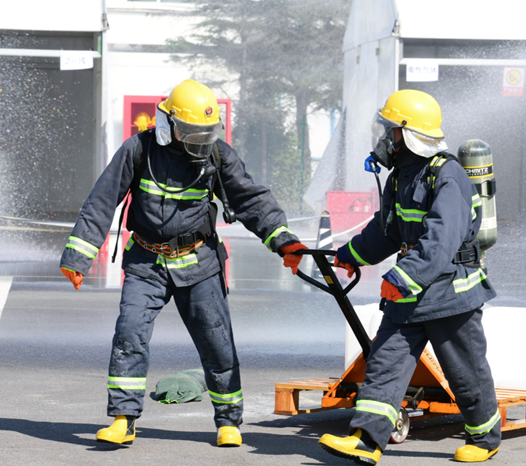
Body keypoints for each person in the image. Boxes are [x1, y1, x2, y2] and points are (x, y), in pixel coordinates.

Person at [59, 79, 307, 447]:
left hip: (200, 261)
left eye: (206, 132)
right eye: (192, 132)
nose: (200, 140)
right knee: (129, 335)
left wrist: (284, 242)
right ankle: (124, 420)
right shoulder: (138, 150)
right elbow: (102, 199)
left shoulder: (217, 154)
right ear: (170, 124)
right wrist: (79, 255)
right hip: (146, 263)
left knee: (217, 342)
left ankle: (228, 422)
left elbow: (251, 199)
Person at [318, 89, 500, 464]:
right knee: (385, 362)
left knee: (464, 371)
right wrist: (350, 255)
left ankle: (484, 439)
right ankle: (367, 440)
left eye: (388, 129)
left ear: (406, 133)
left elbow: (441, 240)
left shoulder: (448, 175)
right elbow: (386, 231)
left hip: (451, 292)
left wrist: (401, 278)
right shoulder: (401, 176)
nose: (382, 137)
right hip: (412, 291)